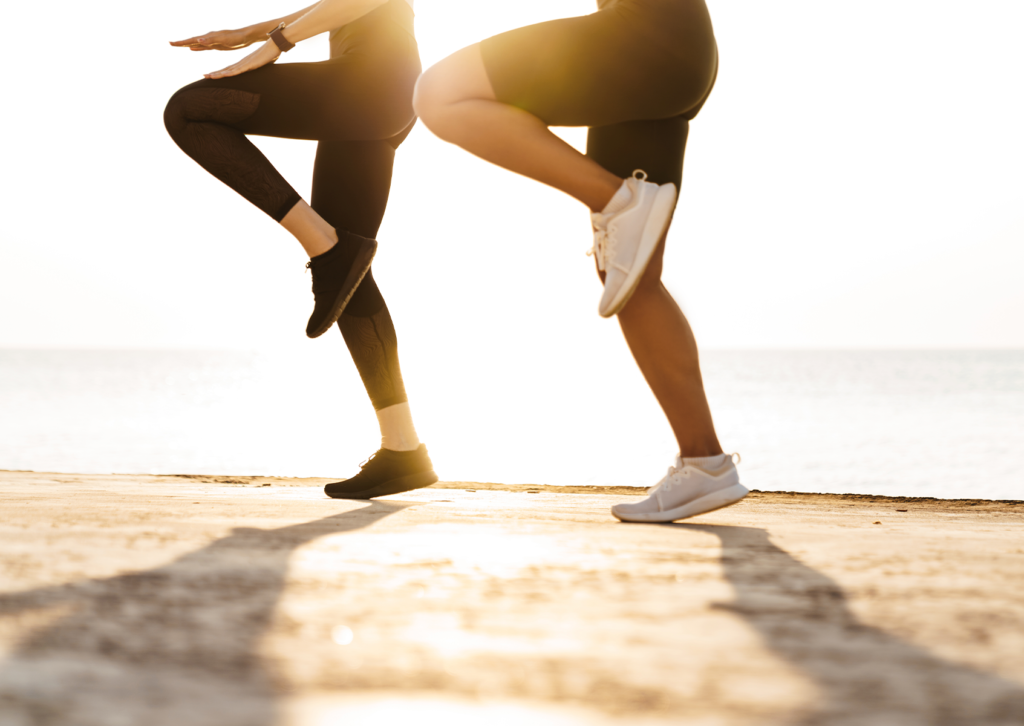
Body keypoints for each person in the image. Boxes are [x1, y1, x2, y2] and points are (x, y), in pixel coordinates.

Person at [413, 0, 747, 522]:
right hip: (670, 53)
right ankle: (705, 463)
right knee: (629, 272)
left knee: (440, 92)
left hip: (647, 34)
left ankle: (618, 198)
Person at [164, 0, 438, 499]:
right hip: (380, 89)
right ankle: (404, 451)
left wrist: (275, 45)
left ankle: (322, 245)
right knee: (350, 276)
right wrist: (252, 32)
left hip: (373, 82)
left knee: (188, 109)